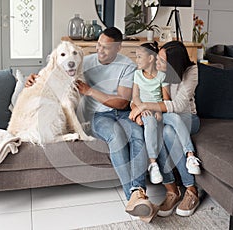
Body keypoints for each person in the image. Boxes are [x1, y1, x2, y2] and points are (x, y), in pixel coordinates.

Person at [26, 27, 158, 222]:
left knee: (138, 136)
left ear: (118, 48)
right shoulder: (85, 62)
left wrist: (89, 91)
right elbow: (55, 69)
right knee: (116, 136)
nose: (100, 51)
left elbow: (122, 102)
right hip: (98, 117)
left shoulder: (127, 66)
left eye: (105, 48)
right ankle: (135, 198)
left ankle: (137, 193)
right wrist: (34, 78)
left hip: (122, 113)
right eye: (98, 45)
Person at [129, 40, 201, 217]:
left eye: (162, 60)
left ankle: (191, 190)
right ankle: (173, 190)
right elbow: (139, 98)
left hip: (188, 117)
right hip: (164, 115)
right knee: (162, 131)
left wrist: (144, 106)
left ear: (173, 63)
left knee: (167, 131)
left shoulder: (192, 72)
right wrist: (140, 110)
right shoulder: (160, 74)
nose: (157, 62)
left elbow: (177, 105)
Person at [129, 41, 170, 185]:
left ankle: (156, 166)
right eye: (136, 57)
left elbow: (166, 100)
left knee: (156, 124)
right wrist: (142, 110)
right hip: (141, 108)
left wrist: (157, 109)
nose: (137, 60)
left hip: (156, 109)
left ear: (151, 58)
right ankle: (152, 163)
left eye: (140, 57)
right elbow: (135, 97)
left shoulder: (162, 76)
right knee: (150, 120)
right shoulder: (137, 74)